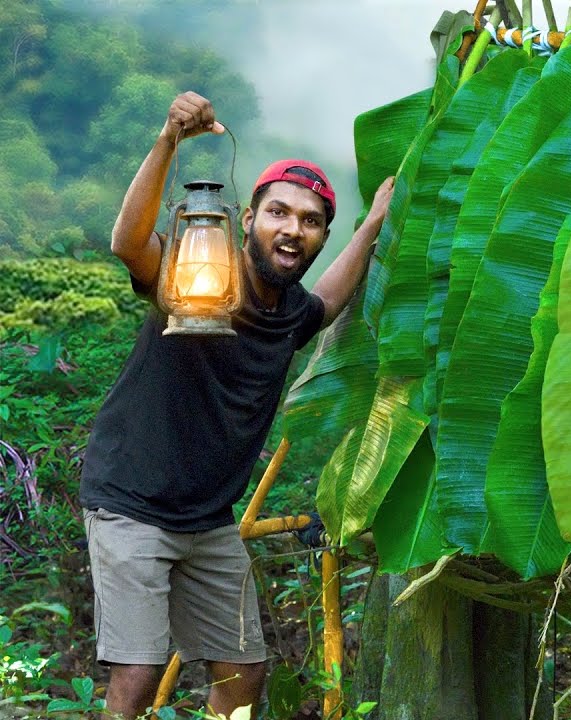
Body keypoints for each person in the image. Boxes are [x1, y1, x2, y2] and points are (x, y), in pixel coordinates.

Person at [78, 91, 394, 719]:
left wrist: (374, 224)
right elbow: (126, 242)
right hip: (131, 503)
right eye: (278, 211)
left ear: (320, 237)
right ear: (246, 221)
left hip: (207, 518)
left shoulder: (292, 315)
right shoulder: (196, 277)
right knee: (136, 677)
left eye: (309, 220)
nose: (292, 228)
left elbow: (328, 300)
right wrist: (169, 138)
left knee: (244, 673)